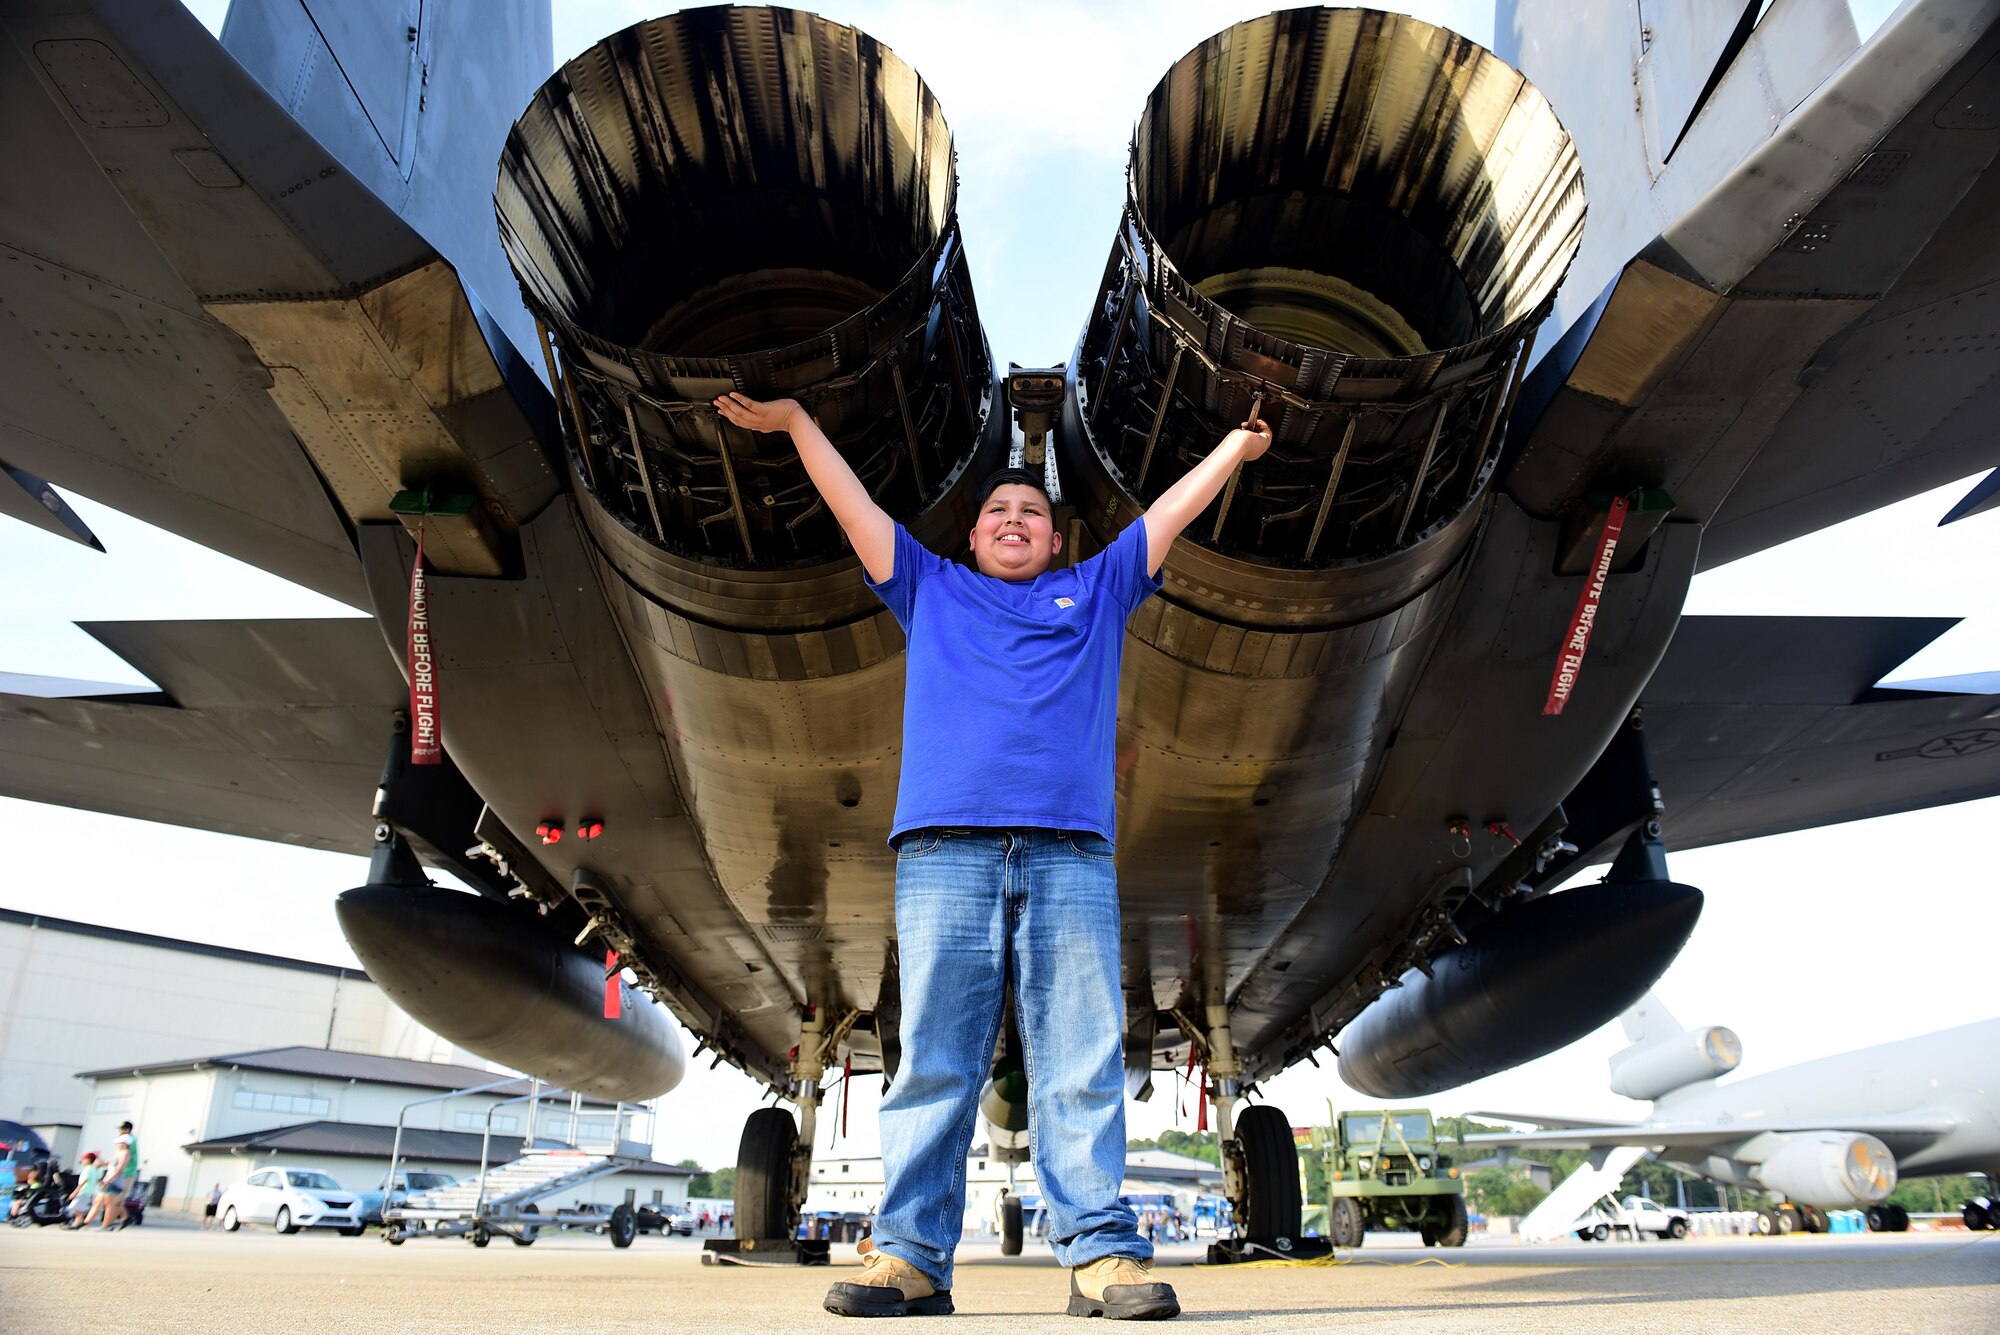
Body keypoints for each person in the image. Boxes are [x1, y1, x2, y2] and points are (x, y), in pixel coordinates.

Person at [714, 391, 1270, 1321]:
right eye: (999, 513)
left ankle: (1100, 1257)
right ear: (973, 538)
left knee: (1080, 1057)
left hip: (1069, 857)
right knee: (933, 1055)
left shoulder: (1098, 589)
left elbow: (1168, 512)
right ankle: (911, 1258)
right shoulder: (927, 585)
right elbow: (853, 505)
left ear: (1057, 543)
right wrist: (800, 423)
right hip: (946, 855)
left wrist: (1235, 450)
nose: (1016, 521)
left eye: (1034, 515)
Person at [66, 1153, 102, 1226]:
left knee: (74, 1208)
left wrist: (75, 1192)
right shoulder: (94, 1169)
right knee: (79, 1208)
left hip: (83, 1191)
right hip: (89, 1192)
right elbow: (98, 1179)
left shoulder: (87, 1169)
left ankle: (79, 1223)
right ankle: (77, 1224)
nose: (82, 1161)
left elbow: (83, 1182)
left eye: (83, 1159)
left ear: (88, 1160)